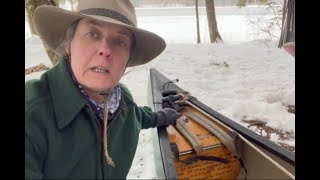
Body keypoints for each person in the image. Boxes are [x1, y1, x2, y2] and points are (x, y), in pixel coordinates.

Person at [25, 0, 182, 179]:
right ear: (68, 44)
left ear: (128, 57)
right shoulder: (31, 113)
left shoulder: (121, 101)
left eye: (120, 41)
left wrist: (160, 117)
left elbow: (134, 117)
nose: (105, 50)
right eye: (92, 34)